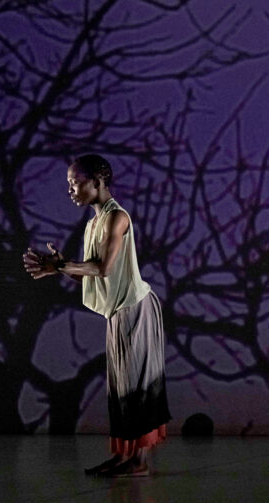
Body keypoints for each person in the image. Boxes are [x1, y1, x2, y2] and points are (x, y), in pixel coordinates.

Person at [23, 154, 171, 476]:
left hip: (135, 308)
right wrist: (58, 269)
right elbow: (88, 274)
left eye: (75, 184)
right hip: (118, 312)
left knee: (135, 386)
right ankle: (124, 457)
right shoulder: (93, 223)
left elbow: (103, 268)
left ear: (97, 182)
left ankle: (139, 463)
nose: (71, 191)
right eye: (70, 185)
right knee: (119, 388)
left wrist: (61, 265)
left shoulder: (117, 218)